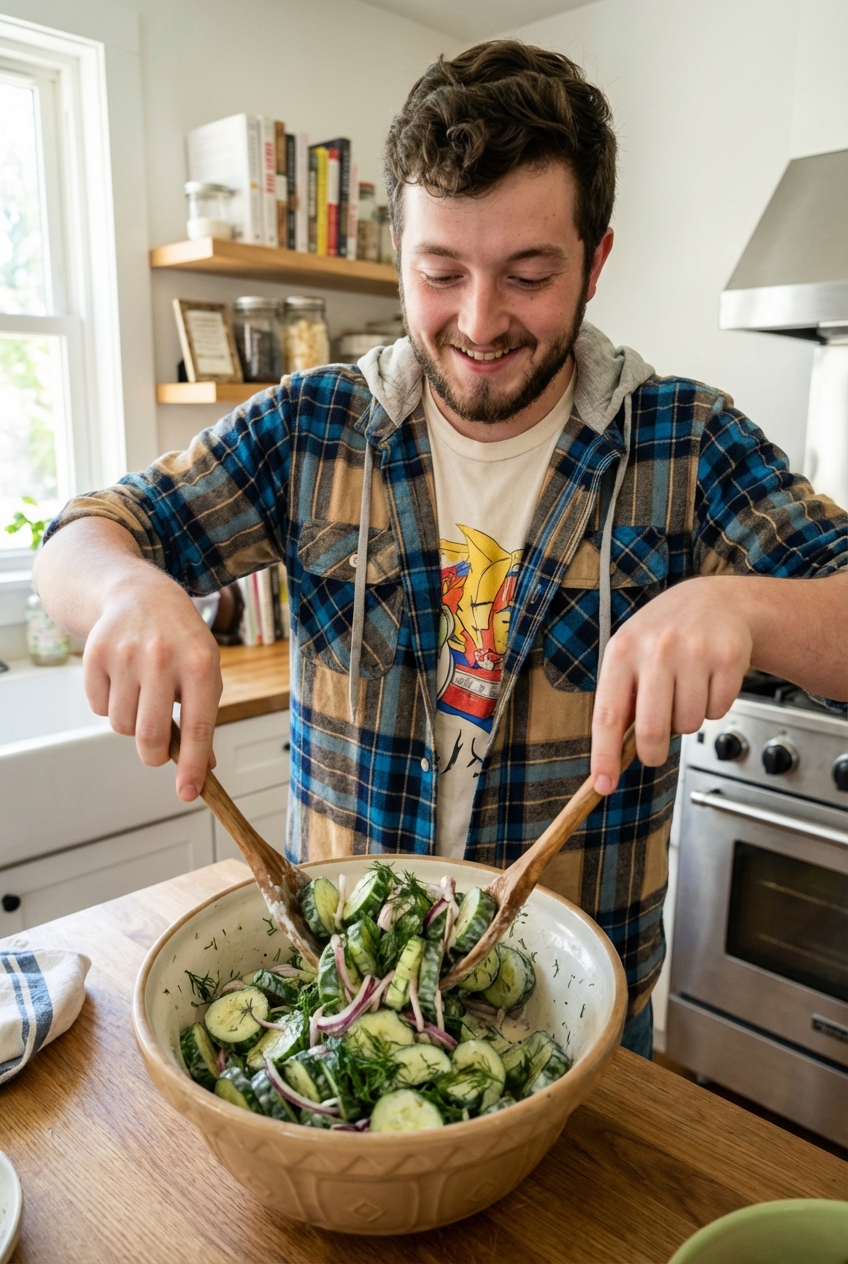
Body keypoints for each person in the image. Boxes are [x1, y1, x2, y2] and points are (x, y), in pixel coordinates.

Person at [34, 42, 847, 1059]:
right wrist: (123, 592)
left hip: (578, 1029)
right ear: (398, 251)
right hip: (338, 1006)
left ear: (594, 261)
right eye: (439, 272)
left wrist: (747, 608)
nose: (477, 321)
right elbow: (84, 533)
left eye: (528, 274)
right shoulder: (312, 426)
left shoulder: (681, 443)